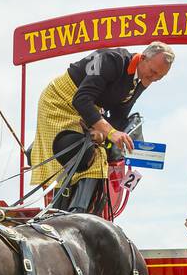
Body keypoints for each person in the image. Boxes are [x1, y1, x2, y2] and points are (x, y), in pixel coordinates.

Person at [30, 42, 174, 214]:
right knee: (89, 158)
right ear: (142, 58)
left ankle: (82, 213)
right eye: (153, 72)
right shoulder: (110, 60)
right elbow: (81, 99)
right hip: (59, 103)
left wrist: (104, 135)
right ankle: (73, 216)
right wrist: (110, 132)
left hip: (87, 112)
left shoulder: (142, 79)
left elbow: (120, 115)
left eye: (160, 77)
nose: (154, 79)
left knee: (100, 154)